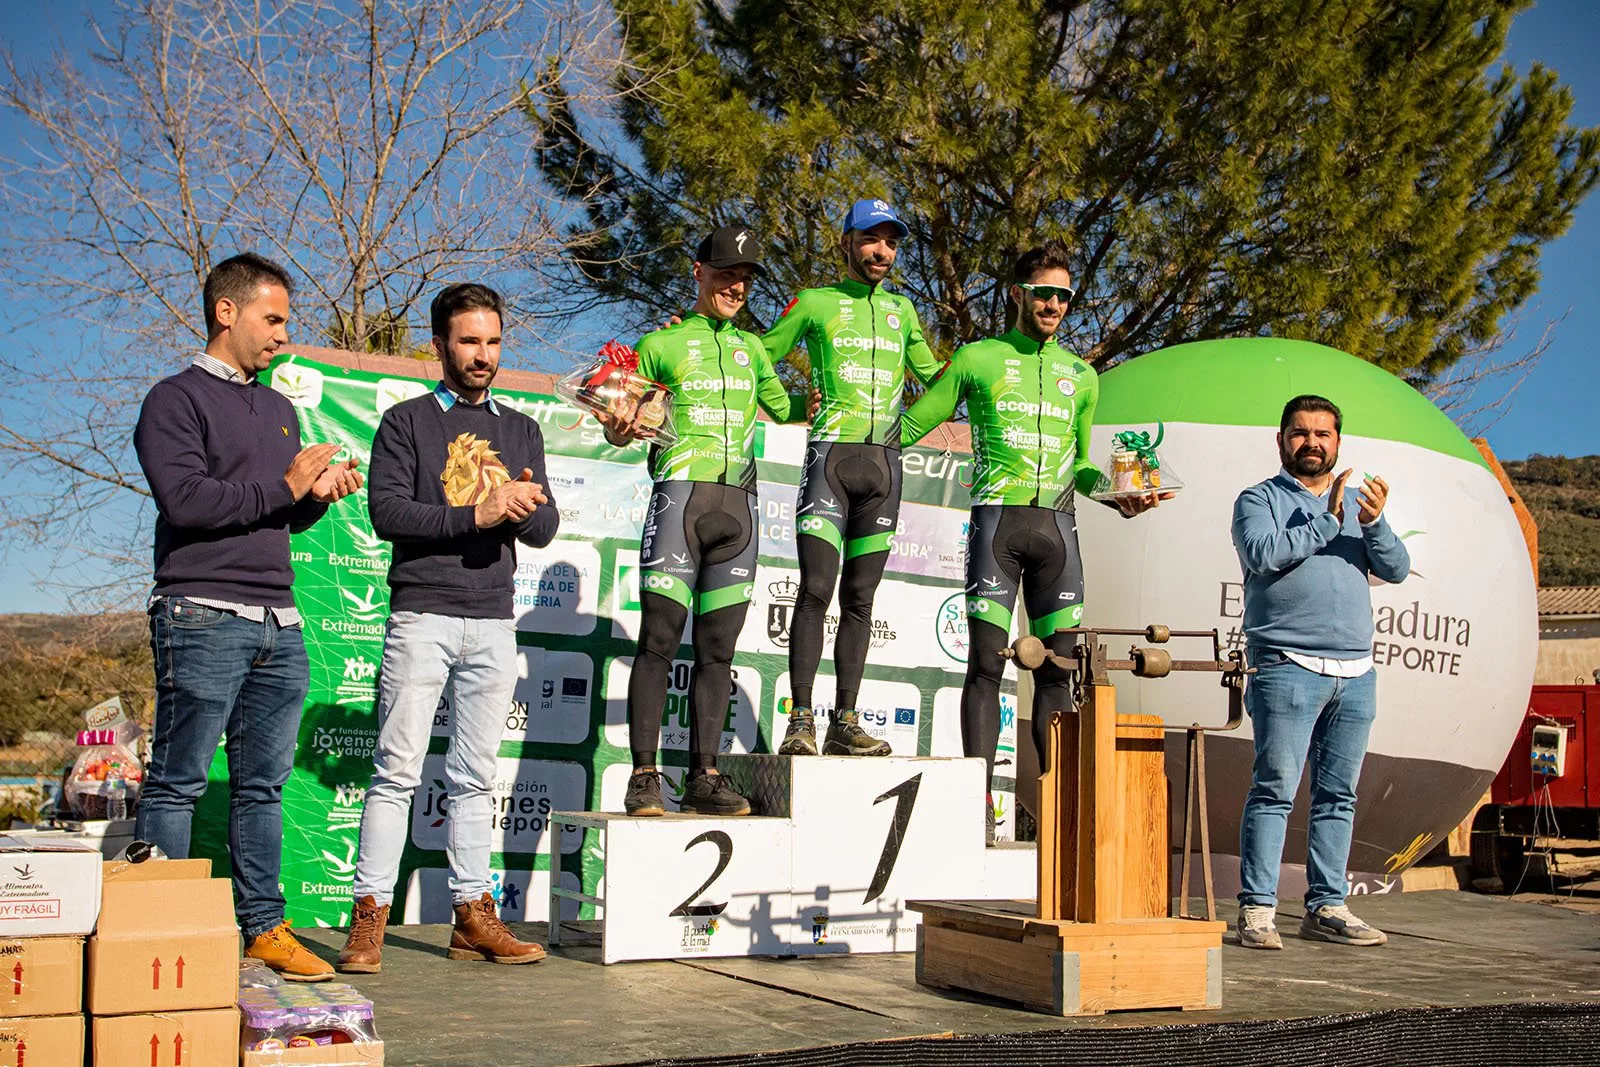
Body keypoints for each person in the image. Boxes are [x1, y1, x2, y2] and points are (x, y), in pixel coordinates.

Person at [133, 252, 362, 981]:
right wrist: (283, 483)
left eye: (286, 323)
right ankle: (158, 934)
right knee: (178, 781)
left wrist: (312, 496)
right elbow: (189, 503)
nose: (282, 336)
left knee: (263, 786)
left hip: (280, 623)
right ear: (225, 311)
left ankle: (263, 926)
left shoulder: (279, 408)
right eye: (273, 319)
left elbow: (274, 516)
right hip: (200, 613)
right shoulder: (173, 400)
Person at [899, 243, 1159, 840]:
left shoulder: (1082, 376)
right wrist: (842, 432)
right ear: (1017, 294)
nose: (1054, 305)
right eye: (1043, 292)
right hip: (998, 525)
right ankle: (977, 810)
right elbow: (915, 422)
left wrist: (1116, 494)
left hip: (1058, 535)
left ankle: (1056, 815)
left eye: (1064, 296)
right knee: (987, 666)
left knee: (1057, 676)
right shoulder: (978, 358)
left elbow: (1085, 467)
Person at [337, 283, 556, 973]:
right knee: (396, 771)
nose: (483, 354)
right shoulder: (405, 422)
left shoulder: (522, 427)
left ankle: (471, 915)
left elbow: (545, 527)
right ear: (438, 346)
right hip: (422, 615)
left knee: (472, 776)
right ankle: (368, 917)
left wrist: (520, 508)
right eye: (468, 341)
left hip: (493, 621)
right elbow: (389, 514)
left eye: (492, 341)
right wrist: (478, 514)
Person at [601, 225, 808, 817]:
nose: (735, 286)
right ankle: (645, 778)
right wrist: (617, 425)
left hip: (739, 511)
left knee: (718, 651)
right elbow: (623, 419)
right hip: (680, 503)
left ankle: (704, 776)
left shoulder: (755, 349)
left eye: (743, 277)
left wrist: (818, 398)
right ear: (698, 273)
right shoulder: (660, 345)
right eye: (724, 274)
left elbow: (785, 407)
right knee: (660, 641)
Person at [762, 199, 943, 757]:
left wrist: (910, 429)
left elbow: (938, 378)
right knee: (816, 590)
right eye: (871, 239)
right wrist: (791, 403)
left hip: (884, 468)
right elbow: (757, 356)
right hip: (830, 463)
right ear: (847, 242)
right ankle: (800, 720)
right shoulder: (815, 303)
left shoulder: (905, 312)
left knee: (861, 599)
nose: (881, 251)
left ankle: (846, 719)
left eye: (891, 241)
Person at [1231, 395, 1410, 949]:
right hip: (1284, 664)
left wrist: (1372, 522)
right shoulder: (1257, 499)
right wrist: (1329, 522)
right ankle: (1257, 910)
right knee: (1275, 789)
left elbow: (1397, 568)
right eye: (1300, 433)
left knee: (1338, 796)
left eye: (1323, 434)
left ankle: (1327, 906)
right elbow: (1261, 554)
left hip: (1355, 673)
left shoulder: (1360, 504)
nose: (1312, 442)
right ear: (1282, 440)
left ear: (1338, 442)